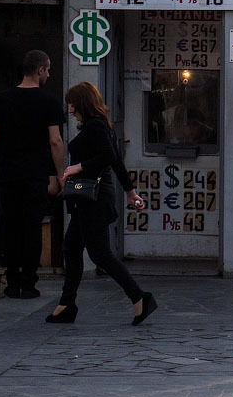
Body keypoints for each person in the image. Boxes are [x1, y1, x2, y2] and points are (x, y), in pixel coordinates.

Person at [47, 82, 157, 325]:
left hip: (93, 200)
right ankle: (66, 304)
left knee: (100, 254)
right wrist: (130, 191)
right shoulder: (99, 125)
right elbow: (116, 160)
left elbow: (109, 157)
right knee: (71, 248)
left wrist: (78, 166)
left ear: (82, 103)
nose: (70, 109)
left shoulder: (96, 126)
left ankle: (139, 298)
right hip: (88, 199)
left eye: (72, 104)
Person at [0, 50, 65, 299]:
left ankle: (12, 282)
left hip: (8, 173)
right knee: (32, 228)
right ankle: (28, 283)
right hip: (35, 174)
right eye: (48, 69)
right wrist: (59, 174)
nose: (49, 74)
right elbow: (55, 140)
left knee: (11, 227)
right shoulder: (49, 102)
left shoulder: (2, 99)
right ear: (40, 70)